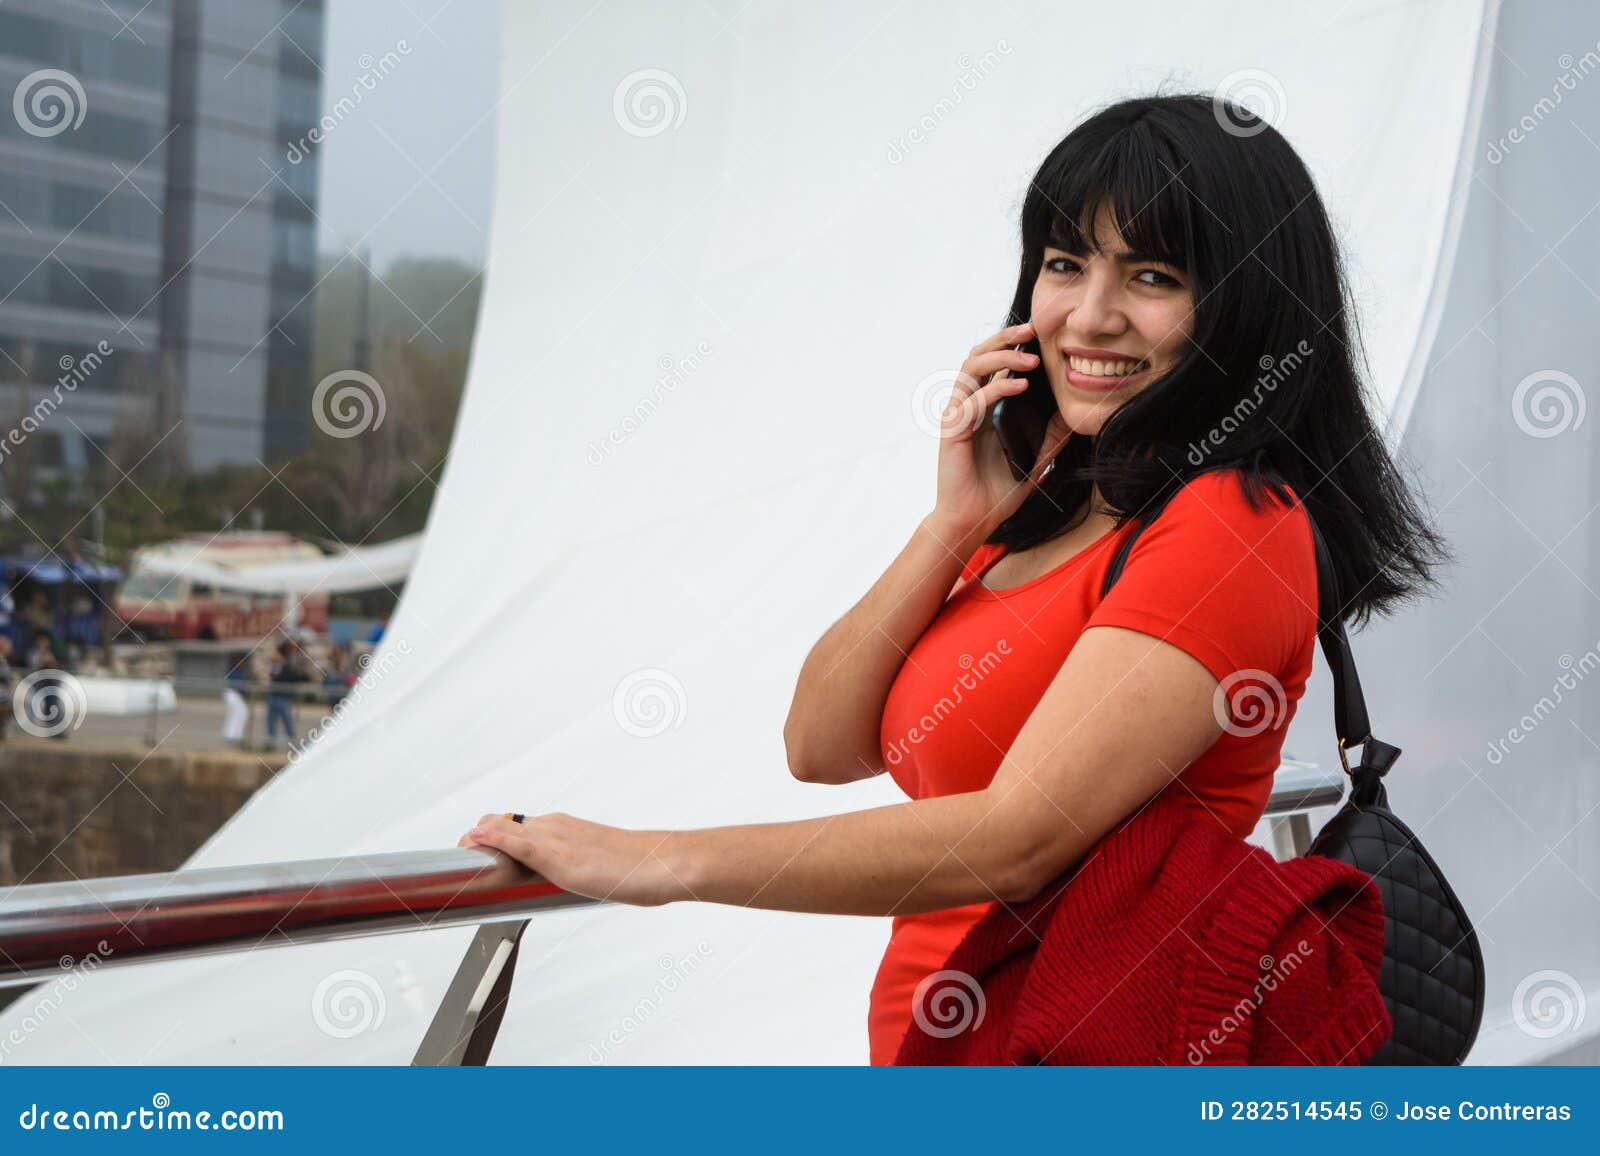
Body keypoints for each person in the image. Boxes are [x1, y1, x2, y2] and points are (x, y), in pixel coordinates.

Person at [456, 93, 1453, 1064]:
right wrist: (952, 525)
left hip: (1083, 1052)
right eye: (1064, 265)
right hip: (946, 1044)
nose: (1088, 317)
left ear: (1241, 311)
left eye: (1150, 276)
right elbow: (819, 743)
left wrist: (654, 861)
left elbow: (1019, 838)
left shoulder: (1229, 522)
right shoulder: (1041, 518)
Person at [264, 639, 303, 747]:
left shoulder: (290, 664)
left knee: (287, 721)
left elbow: (295, 678)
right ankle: (270, 744)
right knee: (271, 721)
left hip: (284, 697)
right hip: (273, 696)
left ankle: (292, 743)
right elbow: (273, 677)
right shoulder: (276, 664)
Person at [221, 651, 252, 747]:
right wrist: (246, 689)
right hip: (232, 693)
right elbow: (238, 684)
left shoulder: (238, 669)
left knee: (239, 713)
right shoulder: (234, 669)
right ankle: (233, 735)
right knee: (242, 712)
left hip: (233, 694)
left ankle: (233, 735)